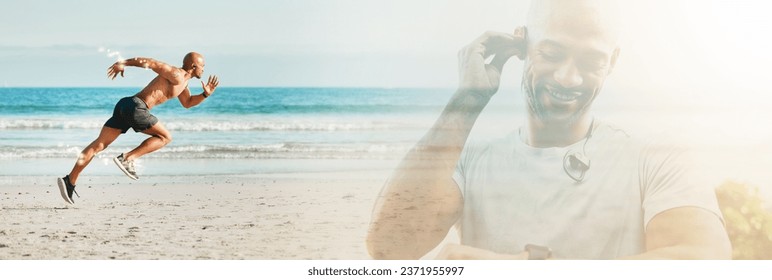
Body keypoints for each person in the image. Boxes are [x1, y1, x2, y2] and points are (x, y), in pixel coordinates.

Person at [366, 0, 731, 259]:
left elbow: (704, 260)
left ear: (613, 61)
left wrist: (521, 268)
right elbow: (388, 247)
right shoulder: (470, 160)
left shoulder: (655, 158)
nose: (568, 78)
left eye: (591, 61)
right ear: (521, 44)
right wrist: (467, 100)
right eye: (552, 54)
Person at [56, 52, 220, 204]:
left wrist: (205, 95)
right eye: (202, 66)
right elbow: (152, 63)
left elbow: (188, 103)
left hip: (126, 105)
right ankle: (127, 158)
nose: (204, 69)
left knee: (99, 144)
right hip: (137, 107)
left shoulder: (183, 84)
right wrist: (123, 63)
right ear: (193, 66)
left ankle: (70, 180)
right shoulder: (176, 74)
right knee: (165, 137)